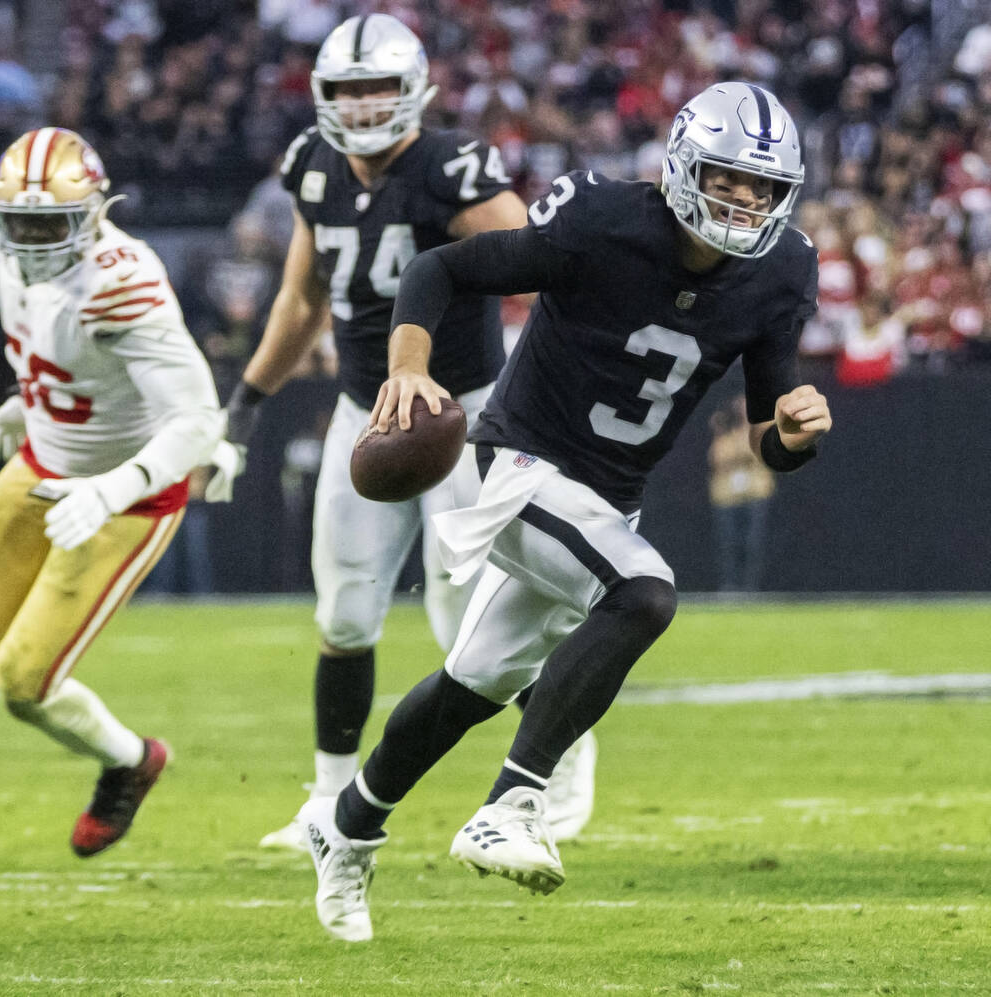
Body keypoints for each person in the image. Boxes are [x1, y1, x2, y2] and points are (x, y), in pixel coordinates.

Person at [299, 81, 833, 942]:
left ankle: (347, 824)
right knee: (645, 591)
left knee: (469, 687)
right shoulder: (602, 219)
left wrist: (795, 435)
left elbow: (770, 431)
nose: (744, 200)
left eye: (762, 187)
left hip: (603, 499)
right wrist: (407, 366)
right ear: (683, 167)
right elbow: (443, 268)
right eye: (728, 179)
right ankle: (513, 801)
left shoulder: (780, 271)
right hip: (515, 464)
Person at [225, 13, 597, 851]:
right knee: (346, 607)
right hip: (365, 413)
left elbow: (536, 263)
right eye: (346, 92)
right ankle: (325, 802)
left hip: (464, 414)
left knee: (469, 619)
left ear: (415, 91)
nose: (360, 110)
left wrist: (549, 390)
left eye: (377, 90)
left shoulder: (449, 167)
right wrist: (247, 397)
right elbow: (299, 300)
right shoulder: (312, 167)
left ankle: (562, 762)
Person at [0, 127, 241, 870]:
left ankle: (130, 759)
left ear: (95, 213)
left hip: (126, 496)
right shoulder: (3, 250)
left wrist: (111, 489)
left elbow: (196, 418)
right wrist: (31, 402)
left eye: (49, 224)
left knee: (25, 681)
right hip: (42, 461)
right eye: (19, 222)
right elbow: (48, 346)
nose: (31, 240)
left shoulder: (122, 282)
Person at [708, 393, 775, 591]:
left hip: (755, 493)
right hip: (728, 495)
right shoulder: (725, 433)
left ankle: (750, 587)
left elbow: (759, 454)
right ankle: (730, 586)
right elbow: (718, 459)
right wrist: (720, 431)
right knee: (729, 543)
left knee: (752, 543)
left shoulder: (762, 430)